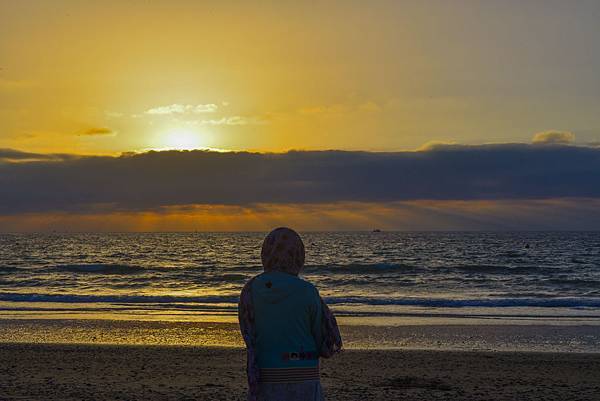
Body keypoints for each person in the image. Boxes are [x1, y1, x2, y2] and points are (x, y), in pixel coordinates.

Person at [238, 227, 343, 401]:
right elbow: (321, 338)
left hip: (266, 377)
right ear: (299, 255)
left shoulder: (250, 290)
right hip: (305, 377)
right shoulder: (308, 291)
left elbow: (249, 335)